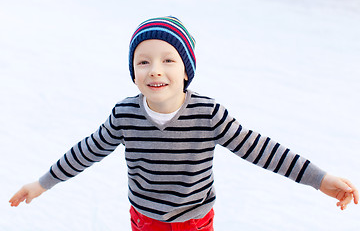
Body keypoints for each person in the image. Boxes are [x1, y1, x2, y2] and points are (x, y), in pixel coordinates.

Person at [9, 16, 359, 231]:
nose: (155, 69)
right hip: (145, 218)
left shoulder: (207, 115)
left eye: (168, 60)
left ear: (186, 70)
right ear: (133, 72)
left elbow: (261, 149)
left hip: (195, 219)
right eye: (143, 61)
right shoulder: (125, 116)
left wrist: (320, 179)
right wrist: (42, 184)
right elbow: (85, 152)